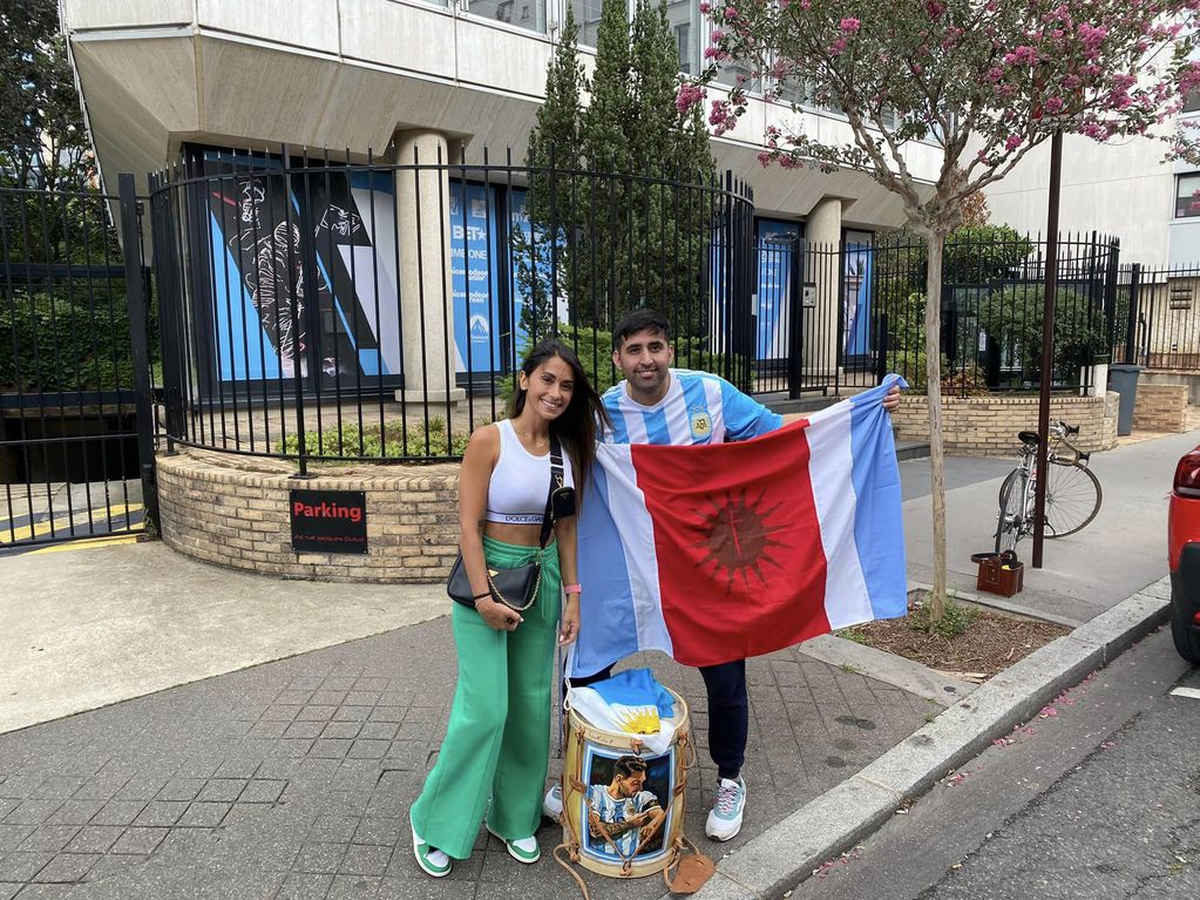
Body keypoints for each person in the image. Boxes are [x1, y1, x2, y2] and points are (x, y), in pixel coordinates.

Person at [545, 308, 902, 842]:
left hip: (705, 566)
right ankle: (578, 770)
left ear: (670, 351)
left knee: (725, 676)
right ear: (618, 358)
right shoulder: (601, 415)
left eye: (656, 346)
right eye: (635, 349)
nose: (647, 359)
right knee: (585, 666)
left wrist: (858, 408)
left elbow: (783, 435)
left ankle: (732, 777)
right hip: (628, 561)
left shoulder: (709, 394)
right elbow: (543, 442)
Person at [410, 339, 609, 877]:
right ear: (524, 381)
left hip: (542, 577)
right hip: (489, 575)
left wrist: (573, 596)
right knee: (485, 709)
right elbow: (467, 528)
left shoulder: (568, 451)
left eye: (567, 385)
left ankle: (512, 816)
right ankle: (435, 819)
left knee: (528, 706)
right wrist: (481, 598)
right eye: (547, 380)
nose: (556, 392)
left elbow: (567, 528)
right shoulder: (489, 441)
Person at [586, 756, 666, 858]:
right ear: (619, 779)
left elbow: (659, 813)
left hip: (632, 859)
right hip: (598, 858)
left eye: (642, 783)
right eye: (636, 783)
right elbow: (595, 830)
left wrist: (651, 825)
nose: (640, 788)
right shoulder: (596, 793)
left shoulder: (641, 796)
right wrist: (628, 824)